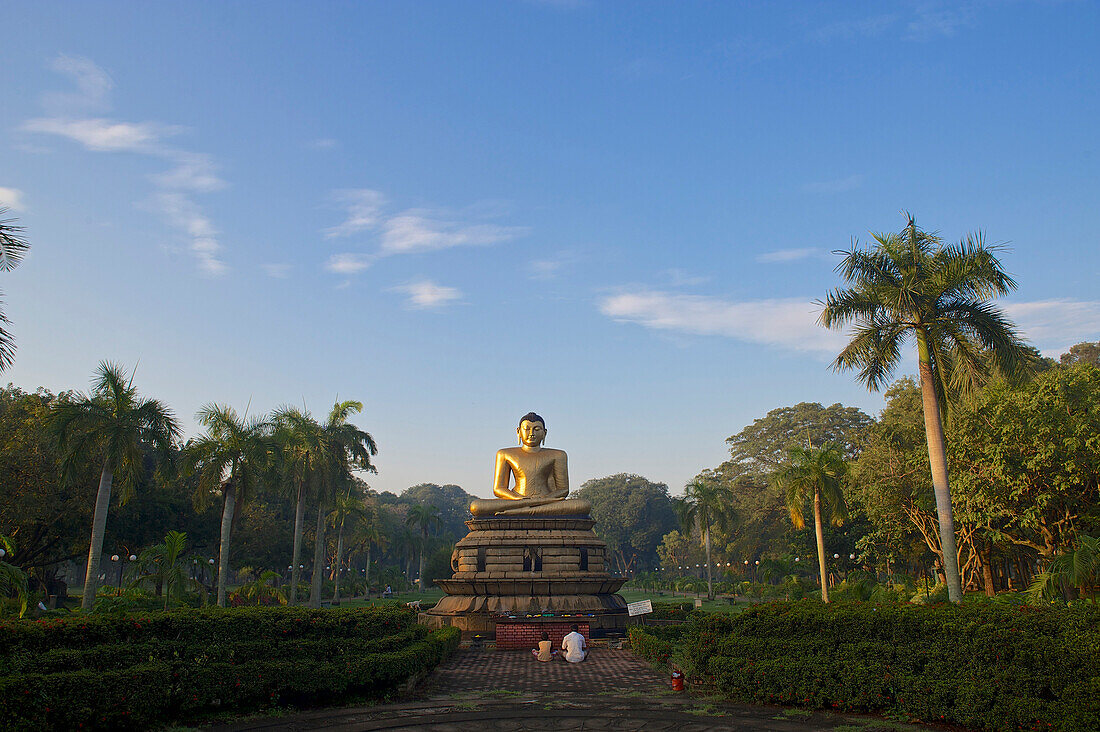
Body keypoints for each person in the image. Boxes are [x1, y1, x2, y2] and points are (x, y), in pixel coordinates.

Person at [469, 413, 592, 517]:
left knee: (583, 505)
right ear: (518, 431)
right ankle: (525, 508)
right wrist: (518, 499)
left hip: (546, 501)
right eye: (527, 429)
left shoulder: (558, 455)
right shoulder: (505, 454)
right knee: (476, 506)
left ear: (545, 433)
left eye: (537, 429)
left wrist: (543, 500)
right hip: (515, 500)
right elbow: (499, 488)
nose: (531, 433)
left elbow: (563, 489)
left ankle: (519, 511)